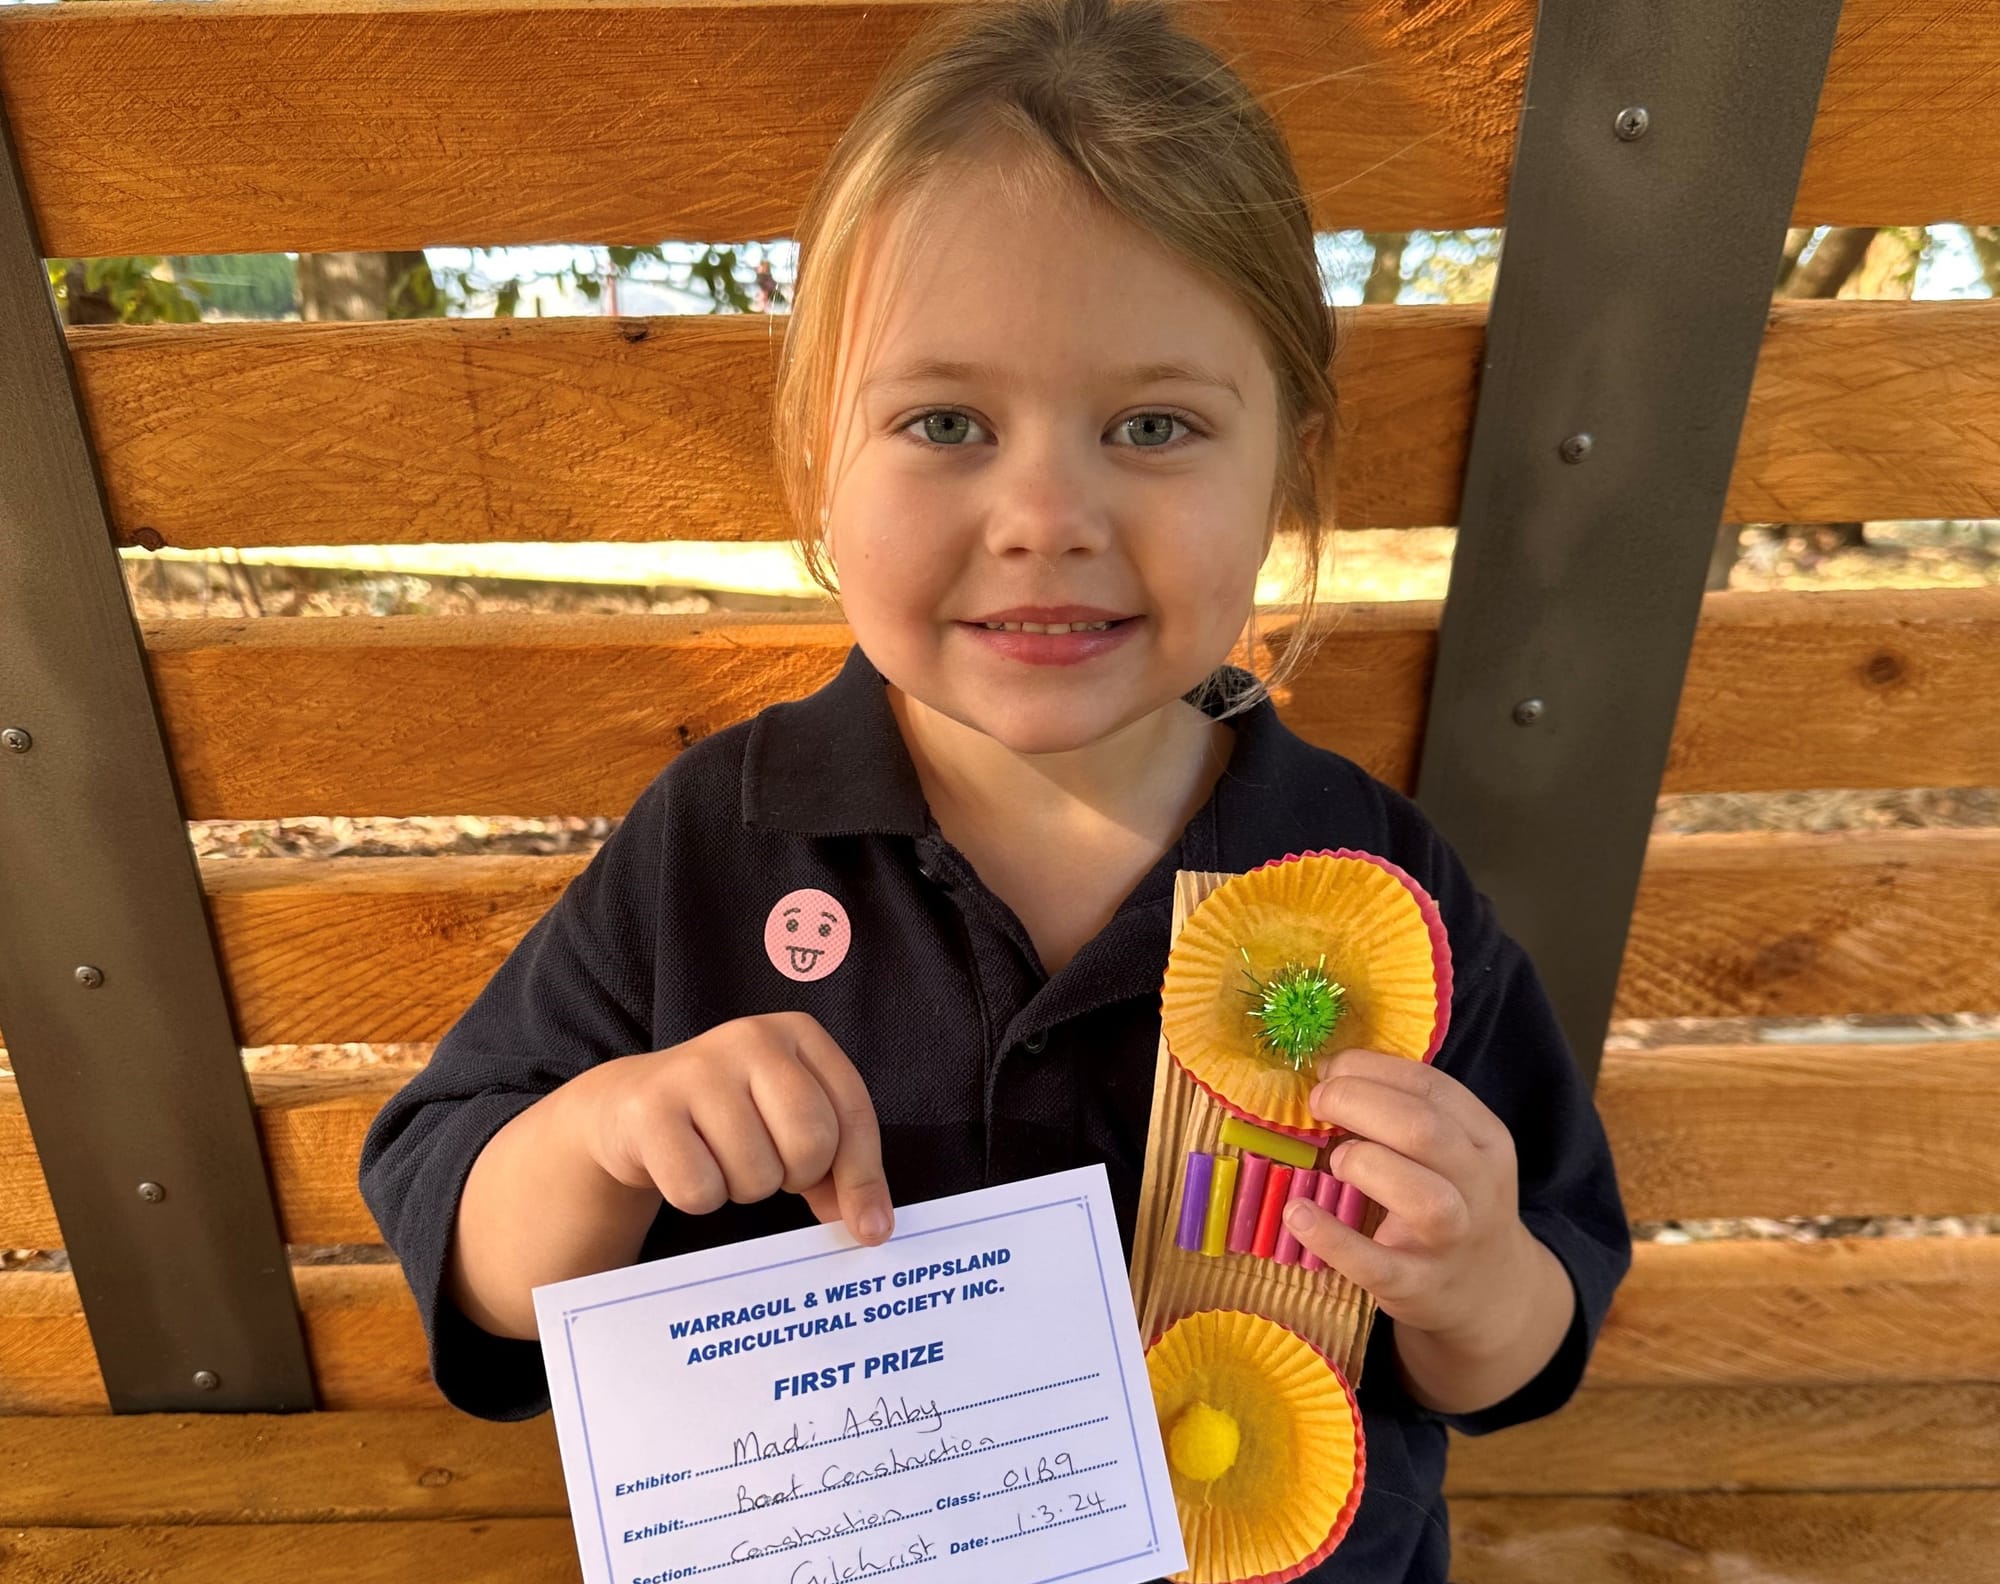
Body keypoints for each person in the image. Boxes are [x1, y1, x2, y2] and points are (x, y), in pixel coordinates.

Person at [358, 0, 1632, 1576]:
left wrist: (1472, 1277)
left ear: (1287, 464)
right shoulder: (721, 844)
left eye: (1153, 425)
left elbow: (1530, 1342)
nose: (1045, 513)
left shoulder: (1370, 883)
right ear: (821, 452)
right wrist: (599, 1142)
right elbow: (459, 1241)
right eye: (945, 422)